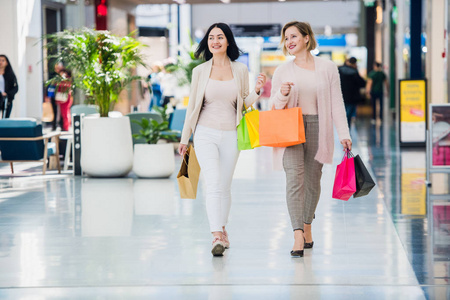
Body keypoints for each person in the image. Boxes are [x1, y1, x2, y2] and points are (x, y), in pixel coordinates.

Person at [178, 23, 266, 257]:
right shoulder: (200, 71)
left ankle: (223, 230)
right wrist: (185, 138)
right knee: (214, 182)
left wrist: (257, 91)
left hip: (231, 134)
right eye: (211, 38)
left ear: (228, 41)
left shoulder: (239, 70)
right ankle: (216, 234)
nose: (215, 41)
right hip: (205, 133)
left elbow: (243, 104)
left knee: (224, 186)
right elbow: (192, 107)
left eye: (220, 37)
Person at [270, 21, 351, 257]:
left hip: (318, 125)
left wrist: (344, 134)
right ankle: (297, 233)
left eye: (294, 36)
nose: (290, 42)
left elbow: (337, 102)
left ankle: (307, 225)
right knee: (295, 179)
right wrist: (282, 94)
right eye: (286, 38)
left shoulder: (327, 68)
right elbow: (273, 106)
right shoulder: (282, 71)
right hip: (290, 127)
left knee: (313, 180)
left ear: (307, 38)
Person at [338, 57, 366, 128]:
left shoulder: (340, 70)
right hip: (352, 96)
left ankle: (343, 127)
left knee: (343, 112)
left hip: (341, 95)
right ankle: (347, 128)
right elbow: (362, 83)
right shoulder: (354, 72)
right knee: (349, 114)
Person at [47, 63, 64, 130]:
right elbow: (48, 85)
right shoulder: (52, 75)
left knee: (62, 111)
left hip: (61, 95)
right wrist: (47, 95)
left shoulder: (63, 75)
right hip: (53, 95)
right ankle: (54, 125)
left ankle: (62, 125)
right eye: (57, 68)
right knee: (54, 110)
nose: (58, 69)